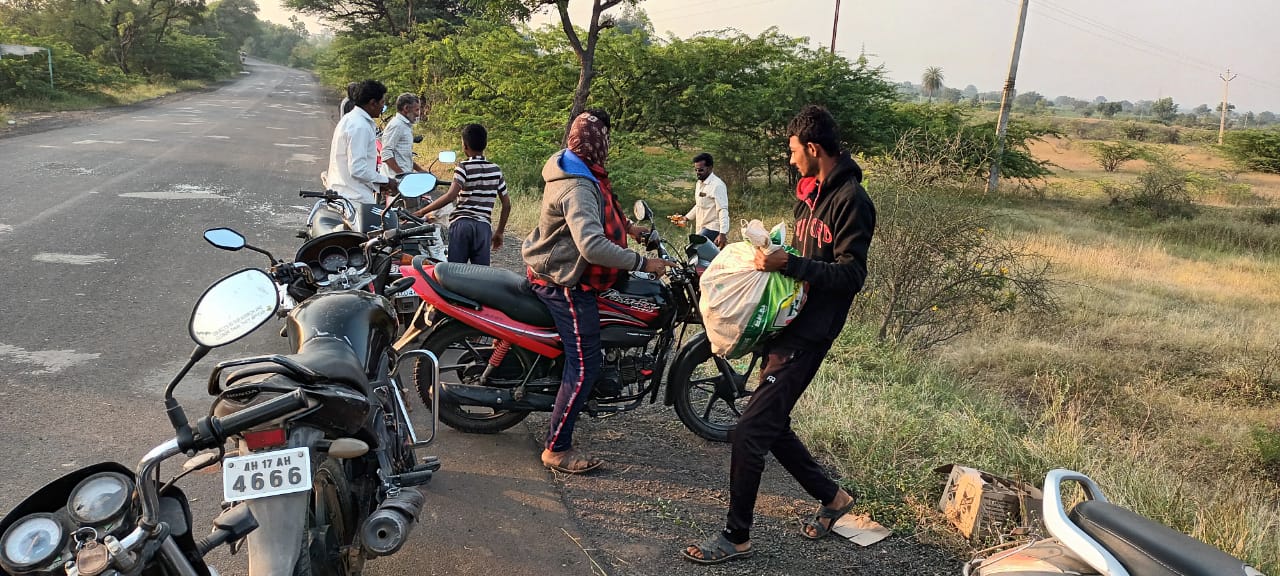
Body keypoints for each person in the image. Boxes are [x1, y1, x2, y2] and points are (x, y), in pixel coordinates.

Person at [681, 105, 876, 565]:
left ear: (813, 149)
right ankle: (834, 499)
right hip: (788, 323)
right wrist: (771, 252)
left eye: (793, 152)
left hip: (811, 335)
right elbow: (800, 257)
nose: (790, 161)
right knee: (771, 422)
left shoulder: (852, 200)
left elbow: (852, 276)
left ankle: (736, 536)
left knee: (749, 431)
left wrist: (790, 264)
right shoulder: (808, 195)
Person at [522, 110, 673, 474]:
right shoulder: (577, 185)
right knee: (587, 365)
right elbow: (591, 245)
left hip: (563, 270)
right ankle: (556, 448)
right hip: (566, 281)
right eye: (605, 138)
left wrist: (631, 230)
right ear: (598, 143)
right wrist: (641, 262)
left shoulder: (578, 168)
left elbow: (601, 216)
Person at [414, 124, 510, 265]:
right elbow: (506, 204)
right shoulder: (496, 170)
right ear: (485, 144)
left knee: (455, 272)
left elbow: (450, 196)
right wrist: (500, 232)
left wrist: (422, 211)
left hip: (462, 225)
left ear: (465, 146)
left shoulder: (463, 167)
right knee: (481, 274)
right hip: (483, 228)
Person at [326, 79, 397, 205]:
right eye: (382, 102)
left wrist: (379, 185)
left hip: (345, 193)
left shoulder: (351, 119)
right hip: (355, 199)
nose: (383, 107)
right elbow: (358, 169)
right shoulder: (360, 126)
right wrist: (387, 181)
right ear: (372, 103)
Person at [682, 152, 730, 248]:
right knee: (704, 258)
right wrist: (686, 218)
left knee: (693, 249)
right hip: (701, 227)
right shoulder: (699, 183)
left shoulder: (717, 185)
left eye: (700, 170)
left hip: (713, 227)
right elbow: (699, 205)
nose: (697, 173)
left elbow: (723, 209)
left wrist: (722, 233)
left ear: (710, 168)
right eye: (696, 170)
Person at [381, 93, 426, 179]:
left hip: (403, 179)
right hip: (395, 180)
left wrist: (420, 170)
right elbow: (386, 153)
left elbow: (405, 157)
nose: (418, 114)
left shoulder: (405, 125)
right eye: (416, 110)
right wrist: (402, 175)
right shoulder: (397, 125)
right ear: (406, 108)